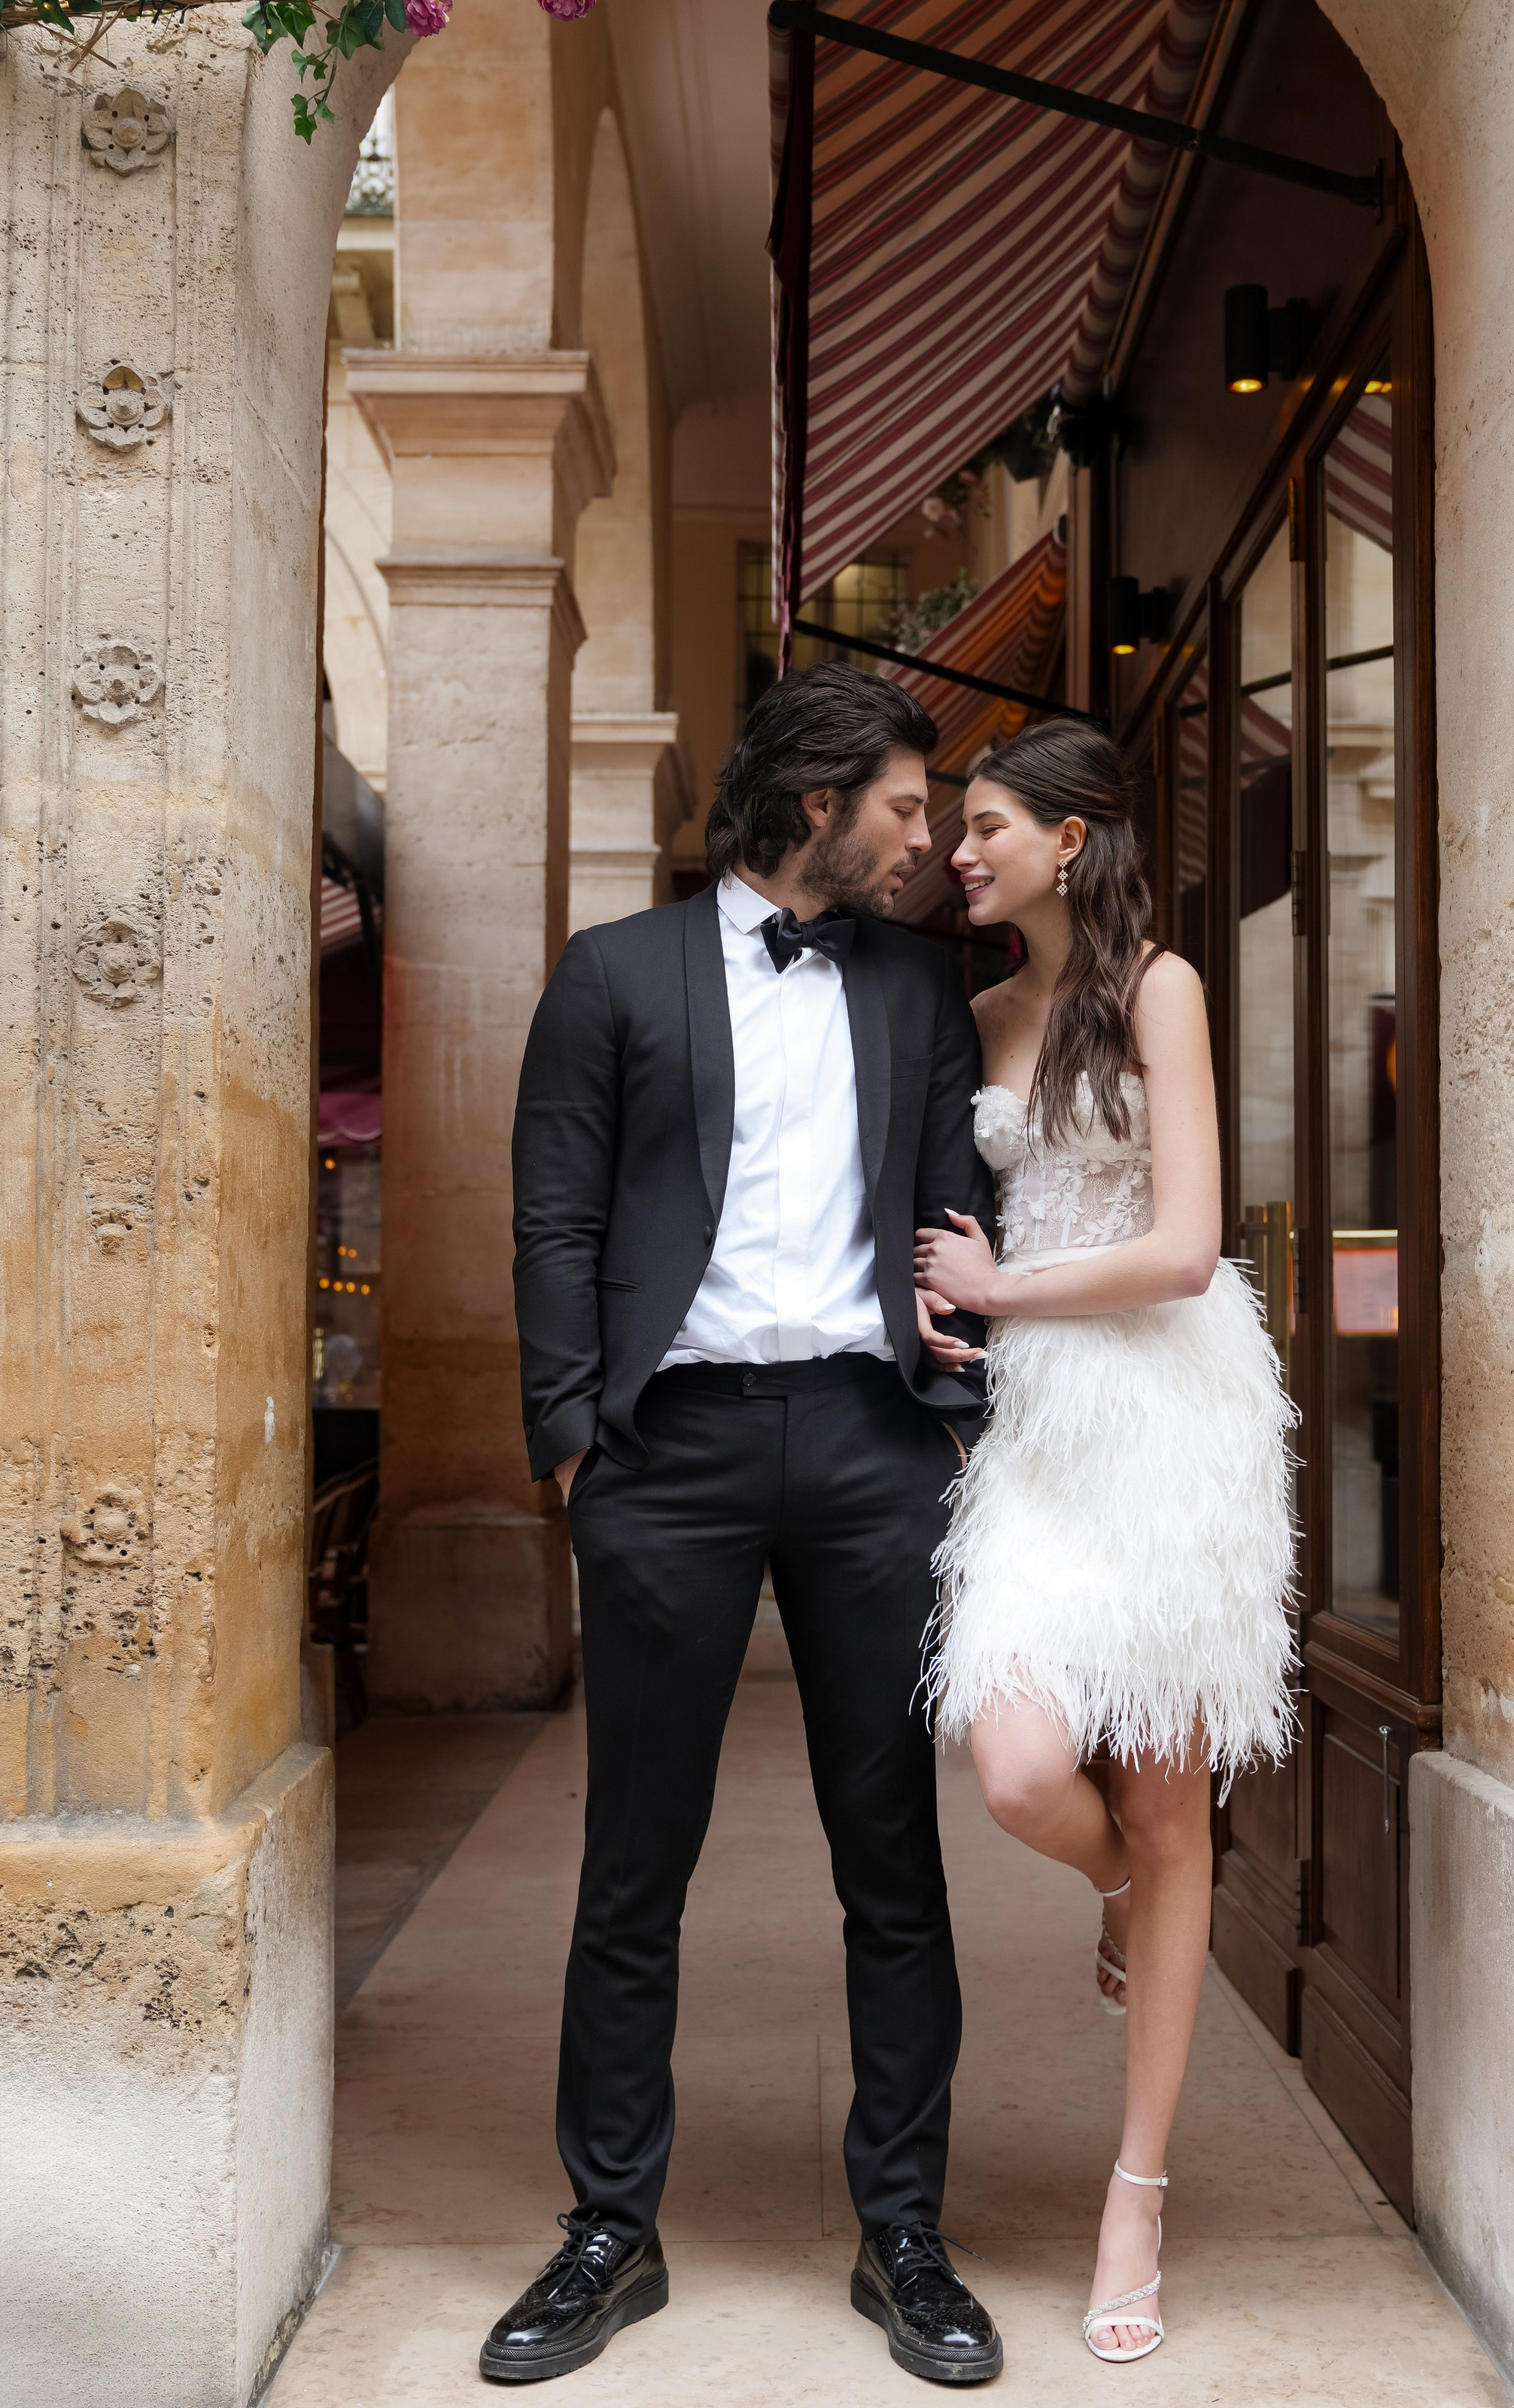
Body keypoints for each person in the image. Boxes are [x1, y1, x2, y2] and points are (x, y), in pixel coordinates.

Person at [491, 662, 1004, 2388]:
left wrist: (958, 1404)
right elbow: (553, 1215)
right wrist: (576, 1439)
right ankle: (605, 2231)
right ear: (812, 802)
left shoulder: (924, 984)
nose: (925, 842)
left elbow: (954, 1206)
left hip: (871, 1445)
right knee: (635, 1859)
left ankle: (905, 2233)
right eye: (906, 811)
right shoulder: (612, 972)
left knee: (893, 1859)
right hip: (673, 1450)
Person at [915, 717, 1297, 2367]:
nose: (957, 849)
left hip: (1167, 1420)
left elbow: (1187, 1243)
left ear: (1068, 838)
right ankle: (1127, 1896)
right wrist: (940, 1311)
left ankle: (1133, 2190)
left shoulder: (1158, 988)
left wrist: (997, 1288)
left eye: (984, 822)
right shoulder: (975, 1010)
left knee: (1160, 1783)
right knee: (1017, 1768)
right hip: (1031, 1432)